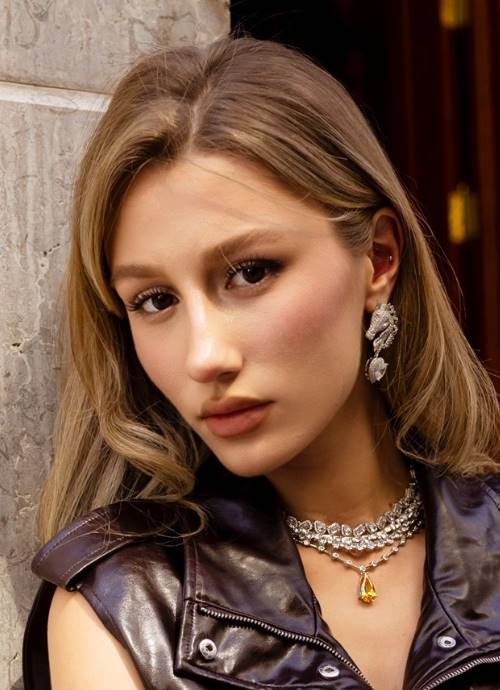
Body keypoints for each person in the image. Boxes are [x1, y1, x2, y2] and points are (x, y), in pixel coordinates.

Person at [22, 34, 500, 690]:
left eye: (250, 272)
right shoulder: (124, 608)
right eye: (155, 300)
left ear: (378, 259)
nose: (204, 357)